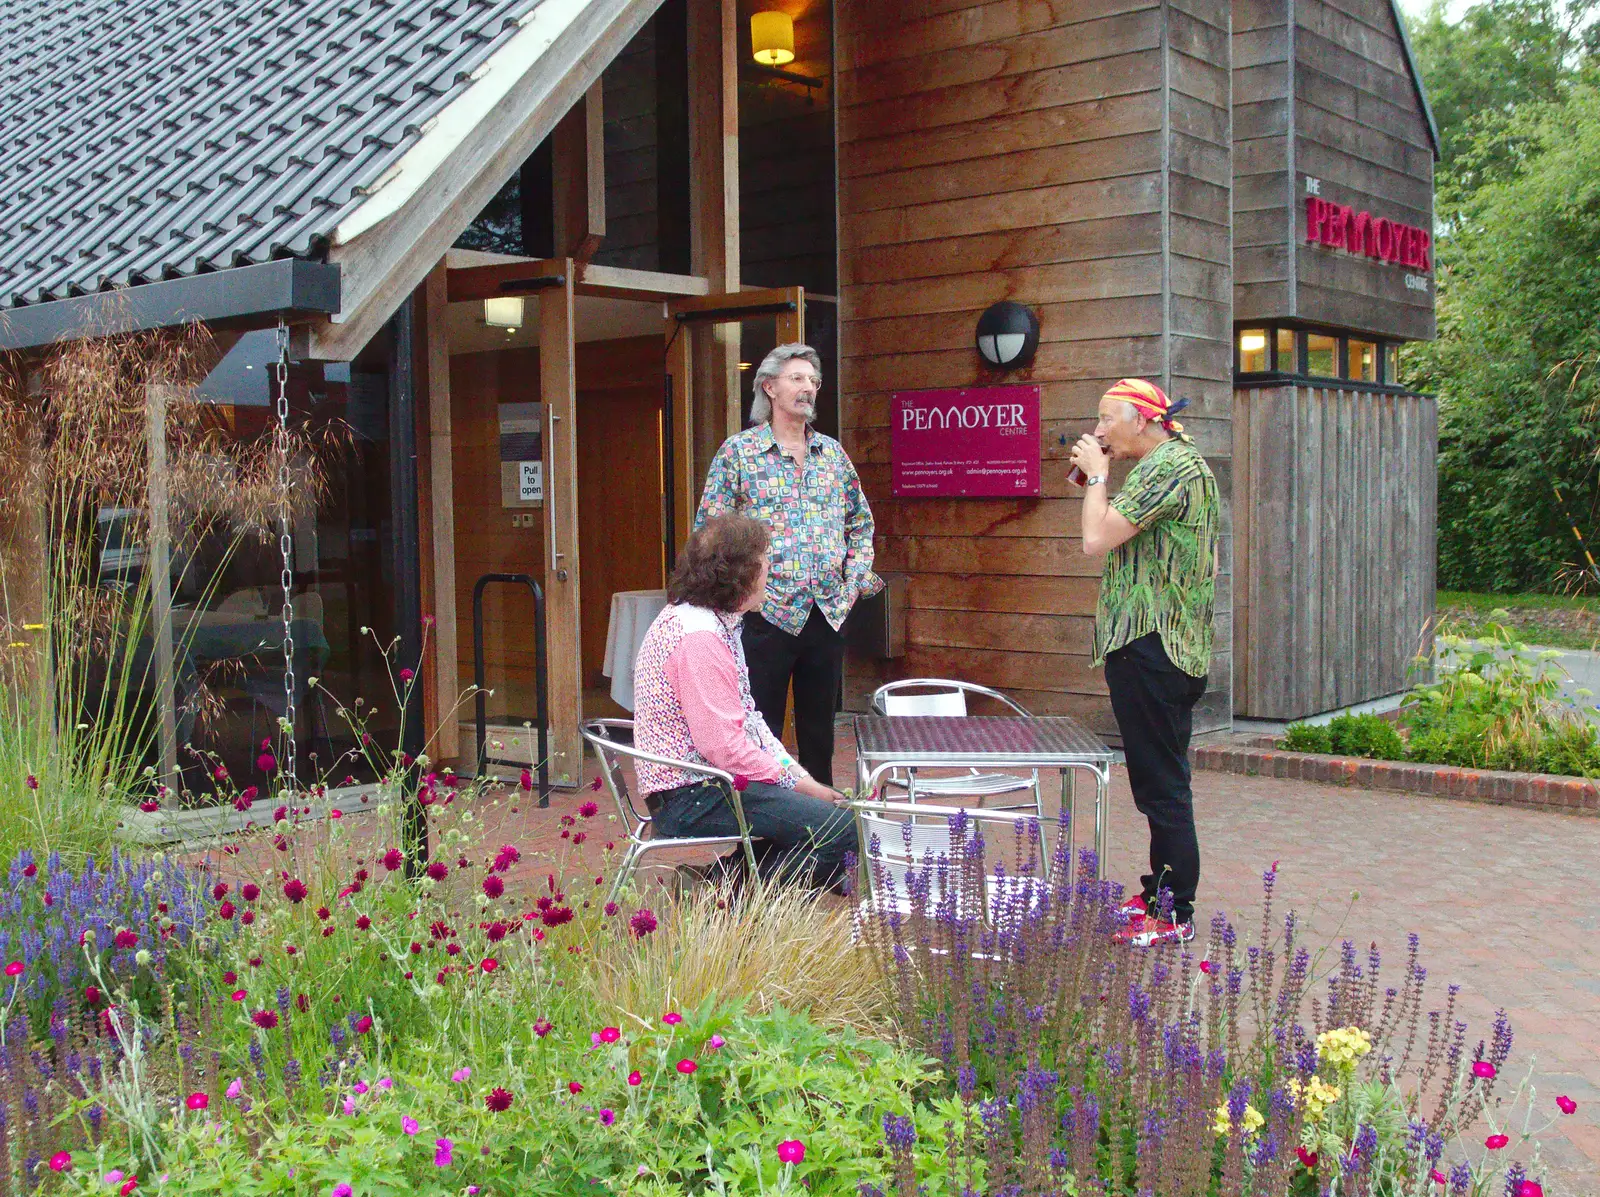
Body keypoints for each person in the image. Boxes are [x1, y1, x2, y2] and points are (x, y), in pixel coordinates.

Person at [631, 512, 858, 891]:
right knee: (841, 831)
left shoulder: (712, 621)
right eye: (765, 563)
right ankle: (718, 893)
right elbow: (724, 747)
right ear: (740, 575)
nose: (771, 572)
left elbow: (749, 723)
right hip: (690, 797)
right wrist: (797, 785)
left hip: (700, 785)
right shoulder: (699, 637)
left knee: (822, 819)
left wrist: (802, 781)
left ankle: (714, 883)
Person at [1069, 378, 1219, 946]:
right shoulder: (1171, 465)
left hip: (1155, 647)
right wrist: (1098, 477)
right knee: (1160, 779)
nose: (1100, 430)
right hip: (1158, 647)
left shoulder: (1169, 467)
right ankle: (1160, 889)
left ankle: (1175, 911)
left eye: (1108, 419)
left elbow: (1095, 538)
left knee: (1162, 785)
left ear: (1143, 419)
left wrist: (1100, 478)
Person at [695, 343, 880, 785]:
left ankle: (819, 841)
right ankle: (762, 843)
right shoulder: (739, 453)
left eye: (813, 381)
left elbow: (861, 523)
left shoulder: (832, 456)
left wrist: (853, 584)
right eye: (797, 378)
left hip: (827, 613)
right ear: (769, 387)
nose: (808, 388)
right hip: (767, 614)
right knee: (762, 736)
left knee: (820, 735)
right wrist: (739, 597)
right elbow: (710, 531)